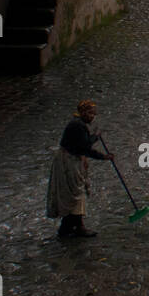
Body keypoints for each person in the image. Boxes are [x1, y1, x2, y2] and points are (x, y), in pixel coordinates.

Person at [46, 99, 113, 238]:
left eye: (94, 114)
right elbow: (85, 147)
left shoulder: (79, 125)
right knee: (75, 193)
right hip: (68, 162)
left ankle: (77, 226)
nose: (92, 116)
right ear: (82, 112)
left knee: (78, 193)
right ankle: (69, 228)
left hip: (73, 159)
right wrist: (103, 154)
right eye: (90, 113)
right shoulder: (77, 126)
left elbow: (82, 146)